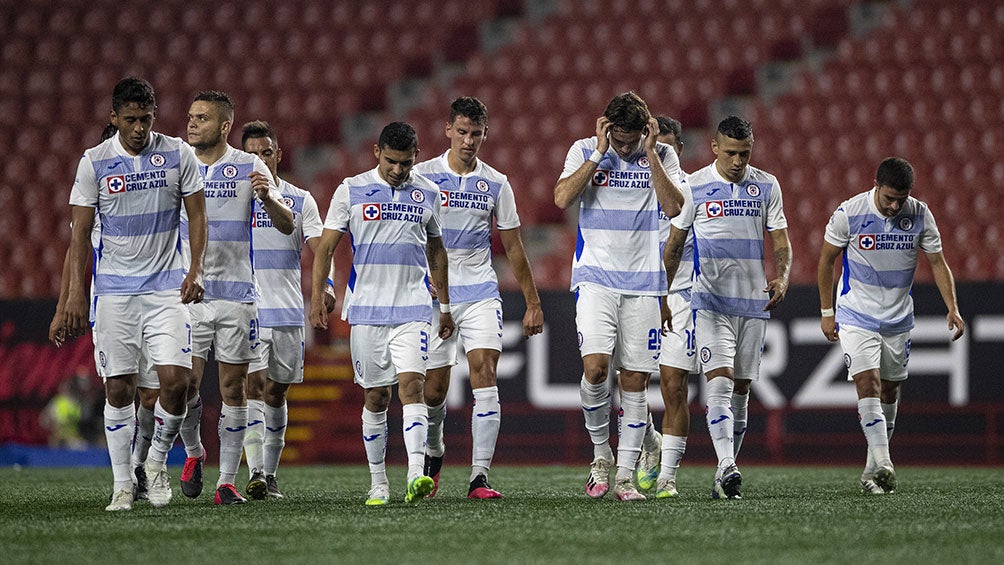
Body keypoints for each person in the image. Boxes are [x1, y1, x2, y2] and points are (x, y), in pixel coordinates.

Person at [56, 77, 208, 511]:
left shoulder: (178, 153)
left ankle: (157, 463)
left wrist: (194, 270)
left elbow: (197, 216)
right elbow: (80, 235)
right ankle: (123, 483)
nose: (139, 128)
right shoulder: (94, 162)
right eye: (130, 120)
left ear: (154, 115)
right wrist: (73, 295)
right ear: (113, 118)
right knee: (119, 390)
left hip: (166, 289)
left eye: (145, 119)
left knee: (177, 383)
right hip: (115, 294)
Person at [309, 122, 455, 506]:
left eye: (405, 163)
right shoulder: (350, 189)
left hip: (412, 309)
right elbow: (324, 249)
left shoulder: (428, 193)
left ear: (416, 158)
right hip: (367, 312)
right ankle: (378, 483)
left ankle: (414, 476)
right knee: (376, 397)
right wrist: (319, 293)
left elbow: (437, 251)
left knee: (412, 389)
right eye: (391, 161)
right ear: (376, 152)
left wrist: (445, 305)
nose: (398, 170)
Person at [553, 92, 685, 501]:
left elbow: (675, 206)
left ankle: (625, 478)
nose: (625, 149)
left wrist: (650, 154)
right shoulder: (584, 150)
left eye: (633, 140)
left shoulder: (662, 155)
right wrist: (599, 153)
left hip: (644, 282)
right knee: (595, 369)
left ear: (645, 131)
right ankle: (601, 456)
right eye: (620, 140)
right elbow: (560, 199)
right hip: (595, 279)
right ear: (607, 128)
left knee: (634, 380)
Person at [412, 96, 544, 499]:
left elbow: (514, 247)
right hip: (434, 296)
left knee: (484, 373)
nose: (469, 141)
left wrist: (533, 302)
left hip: (481, 290)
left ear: (486, 134)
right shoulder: (422, 176)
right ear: (448, 130)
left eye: (476, 134)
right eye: (462, 132)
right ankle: (434, 453)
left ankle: (479, 477)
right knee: (433, 391)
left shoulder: (496, 183)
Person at [817, 157, 964, 494]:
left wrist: (953, 307)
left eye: (901, 198)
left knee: (890, 390)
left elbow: (938, 263)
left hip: (898, 318)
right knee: (867, 383)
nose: (896, 205)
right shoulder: (849, 213)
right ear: (876, 185)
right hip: (856, 314)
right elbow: (825, 261)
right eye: (889, 198)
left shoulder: (920, 214)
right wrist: (827, 311)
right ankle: (884, 461)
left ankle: (871, 472)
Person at [663, 115, 792, 500]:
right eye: (732, 153)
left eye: (745, 153)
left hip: (753, 303)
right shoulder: (694, 186)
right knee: (717, 381)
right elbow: (673, 246)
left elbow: (781, 241)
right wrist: (662, 297)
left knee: (741, 391)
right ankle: (726, 464)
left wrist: (782, 276)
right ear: (715, 148)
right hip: (709, 301)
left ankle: (725, 475)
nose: (738, 161)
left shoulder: (767, 185)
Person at [180, 91, 294, 505]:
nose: (191, 124)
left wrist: (266, 197)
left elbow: (286, 224)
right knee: (185, 385)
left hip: (237, 296)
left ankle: (226, 482)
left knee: (234, 389)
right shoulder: (177, 162)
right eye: (190, 116)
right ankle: (194, 452)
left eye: (202, 118)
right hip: (188, 294)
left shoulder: (249, 166)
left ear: (225, 126)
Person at [240, 120, 335, 500]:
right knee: (253, 387)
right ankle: (257, 473)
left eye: (266, 153)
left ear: (277, 155)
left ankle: (272, 473)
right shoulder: (233, 200)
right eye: (252, 155)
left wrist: (326, 286)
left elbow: (320, 248)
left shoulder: (301, 199)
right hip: (248, 308)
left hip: (288, 311)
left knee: (277, 393)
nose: (260, 161)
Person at [635, 115, 698, 499]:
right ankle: (648, 442)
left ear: (680, 149)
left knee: (674, 386)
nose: (663, 154)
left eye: (669, 147)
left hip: (680, 294)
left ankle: (668, 478)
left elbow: (677, 249)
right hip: (638, 291)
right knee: (632, 385)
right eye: (656, 147)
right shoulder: (634, 187)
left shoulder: (689, 190)